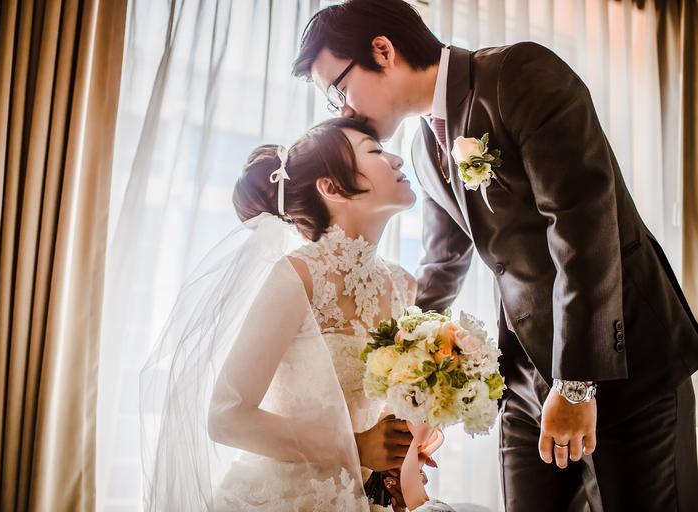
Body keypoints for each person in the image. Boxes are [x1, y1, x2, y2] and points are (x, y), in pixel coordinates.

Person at [293, 1, 698, 511]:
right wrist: (412, 383)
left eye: (338, 89)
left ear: (382, 50)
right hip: (525, 377)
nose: (342, 111)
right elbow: (441, 268)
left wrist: (576, 384)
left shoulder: (518, 75)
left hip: (623, 361)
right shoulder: (424, 149)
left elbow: (584, 230)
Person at [139, 117, 488, 511]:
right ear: (331, 187)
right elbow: (225, 416)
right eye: (374, 151)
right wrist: (355, 445)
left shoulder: (401, 285)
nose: (397, 160)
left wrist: (396, 455)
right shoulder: (297, 277)